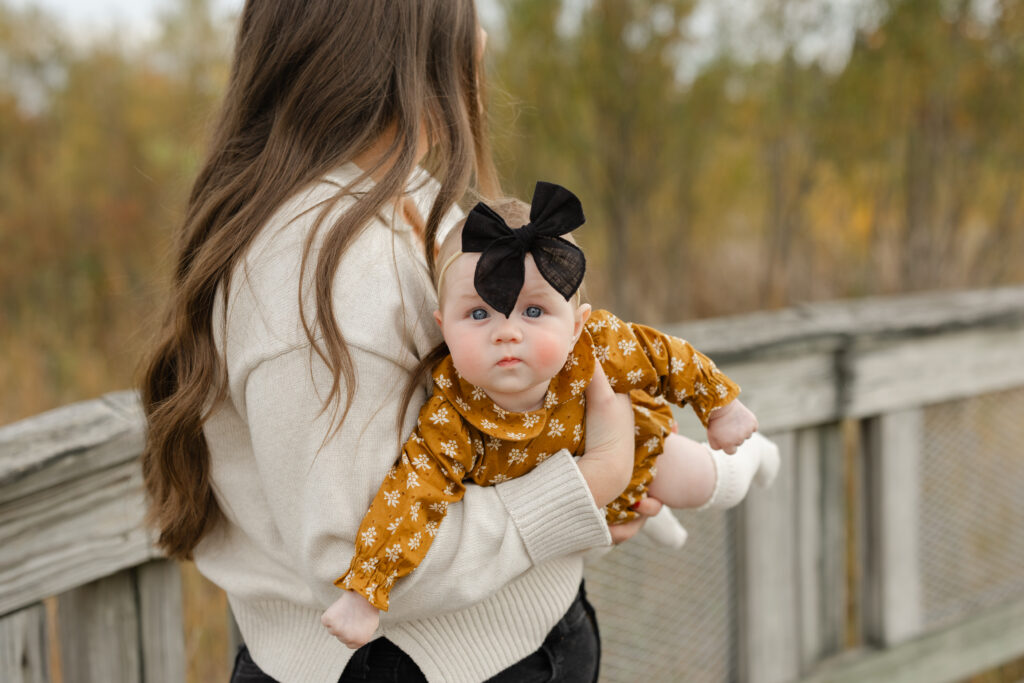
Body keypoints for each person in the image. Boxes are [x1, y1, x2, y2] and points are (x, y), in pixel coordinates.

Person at [140, 3, 654, 681]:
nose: (480, 39)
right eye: (462, 17)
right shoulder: (318, 275)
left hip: (487, 644)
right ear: (392, 51)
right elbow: (353, 561)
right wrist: (586, 484)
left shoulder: (396, 192)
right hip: (411, 664)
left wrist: (600, 482)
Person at [320, 184, 780, 648]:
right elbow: (410, 497)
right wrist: (366, 593)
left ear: (576, 324)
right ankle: (648, 513)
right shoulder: (451, 419)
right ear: (444, 328)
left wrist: (720, 406)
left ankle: (755, 457)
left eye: (534, 310)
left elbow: (665, 357)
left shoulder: (595, 345)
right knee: (629, 507)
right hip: (576, 507)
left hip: (637, 452)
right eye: (478, 314)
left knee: (697, 481)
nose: (506, 332)